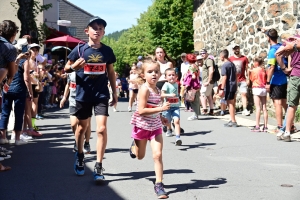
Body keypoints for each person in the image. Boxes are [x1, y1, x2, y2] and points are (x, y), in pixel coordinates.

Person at [64, 16, 117, 181]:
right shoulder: (79, 49)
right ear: (87, 31)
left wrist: (115, 93)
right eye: (95, 27)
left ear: (104, 32)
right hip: (83, 94)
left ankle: (99, 166)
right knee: (81, 128)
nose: (98, 30)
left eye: (101, 28)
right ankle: (80, 156)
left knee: (101, 129)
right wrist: (73, 67)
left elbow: (111, 73)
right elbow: (66, 68)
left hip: (101, 94)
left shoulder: (107, 51)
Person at [129, 57, 170, 199]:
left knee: (157, 155)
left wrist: (161, 117)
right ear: (143, 75)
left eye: (156, 72)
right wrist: (160, 108)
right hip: (142, 126)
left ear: (160, 74)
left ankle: (159, 184)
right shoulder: (144, 90)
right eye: (150, 71)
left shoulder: (158, 89)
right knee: (140, 157)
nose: (154, 74)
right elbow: (141, 110)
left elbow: (155, 109)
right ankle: (134, 146)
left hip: (156, 126)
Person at [60, 71, 91, 153]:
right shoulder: (71, 71)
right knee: (73, 124)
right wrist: (64, 98)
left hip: (85, 99)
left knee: (87, 124)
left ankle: (87, 143)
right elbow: (68, 84)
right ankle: (78, 139)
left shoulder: (87, 70)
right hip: (73, 99)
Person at [264, 28, 288, 133]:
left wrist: (268, 82)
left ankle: (279, 127)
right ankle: (289, 125)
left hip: (276, 80)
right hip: (284, 79)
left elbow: (271, 67)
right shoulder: (281, 47)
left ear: (268, 38)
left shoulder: (272, 51)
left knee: (277, 103)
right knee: (284, 103)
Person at [22, 44, 42, 137]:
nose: (35, 52)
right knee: (28, 108)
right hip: (29, 85)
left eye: (37, 50)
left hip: (35, 85)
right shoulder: (27, 61)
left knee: (35, 107)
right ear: (29, 51)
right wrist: (33, 75)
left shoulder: (36, 61)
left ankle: (32, 126)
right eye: (33, 50)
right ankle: (26, 128)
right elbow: (26, 75)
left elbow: (38, 76)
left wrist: (40, 75)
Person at [161, 68, 182, 145]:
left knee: (176, 121)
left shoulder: (176, 84)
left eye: (173, 75)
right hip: (167, 107)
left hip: (176, 106)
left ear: (176, 76)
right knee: (168, 121)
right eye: (169, 75)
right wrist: (169, 95)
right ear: (166, 77)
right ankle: (169, 129)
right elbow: (162, 95)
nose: (171, 76)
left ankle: (178, 138)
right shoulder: (166, 85)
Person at [229, 44, 251, 116]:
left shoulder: (244, 58)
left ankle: (245, 109)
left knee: (244, 94)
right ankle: (234, 109)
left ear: (239, 48)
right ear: (233, 50)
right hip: (233, 80)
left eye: (237, 48)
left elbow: (247, 68)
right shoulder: (230, 59)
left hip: (242, 79)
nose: (236, 50)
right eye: (235, 49)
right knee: (234, 95)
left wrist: (248, 78)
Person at [219, 49, 238, 127]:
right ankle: (232, 119)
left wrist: (222, 89)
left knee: (230, 104)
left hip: (228, 86)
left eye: (220, 56)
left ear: (223, 56)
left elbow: (224, 77)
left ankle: (233, 121)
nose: (220, 57)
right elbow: (236, 75)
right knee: (232, 103)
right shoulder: (232, 64)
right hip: (233, 85)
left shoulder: (224, 65)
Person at [249, 57, 268, 132]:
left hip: (256, 88)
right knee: (264, 107)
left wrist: (249, 72)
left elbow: (252, 79)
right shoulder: (264, 69)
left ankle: (257, 126)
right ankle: (265, 126)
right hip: (263, 88)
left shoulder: (254, 70)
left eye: (254, 62)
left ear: (257, 62)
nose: (253, 63)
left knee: (257, 107)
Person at [183, 54, 201, 120]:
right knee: (196, 99)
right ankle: (197, 114)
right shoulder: (196, 66)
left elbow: (193, 76)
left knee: (192, 100)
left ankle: (195, 115)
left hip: (192, 85)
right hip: (197, 85)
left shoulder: (191, 66)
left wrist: (188, 79)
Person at [199, 49, 215, 115]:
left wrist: (208, 81)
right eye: (201, 53)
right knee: (209, 96)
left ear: (206, 53)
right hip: (207, 81)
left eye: (203, 53)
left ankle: (204, 110)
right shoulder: (206, 60)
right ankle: (211, 110)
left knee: (202, 95)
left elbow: (211, 71)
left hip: (207, 81)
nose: (202, 54)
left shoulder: (208, 60)